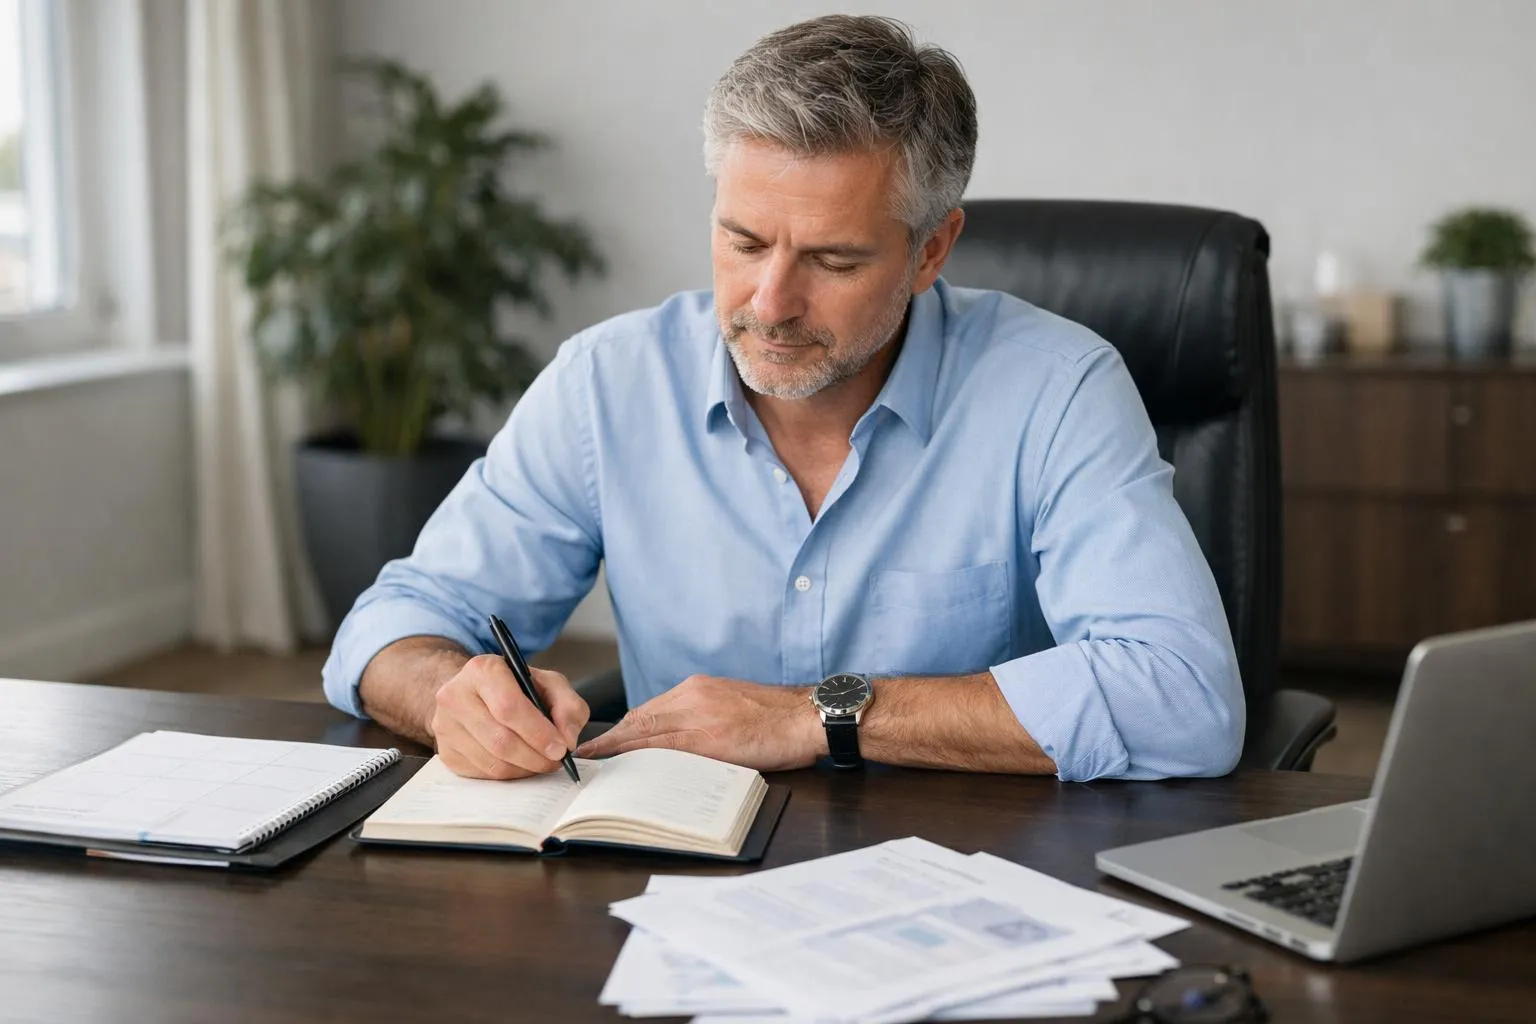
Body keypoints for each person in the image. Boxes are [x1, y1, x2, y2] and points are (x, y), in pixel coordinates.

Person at [321, 14, 1244, 783]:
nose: (769, 304)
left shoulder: (1057, 389)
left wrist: (815, 715)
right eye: (744, 242)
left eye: (833, 260)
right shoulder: (609, 382)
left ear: (931, 249)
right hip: (681, 870)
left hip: (966, 870)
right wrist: (450, 694)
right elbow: (391, 628)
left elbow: (1185, 697)